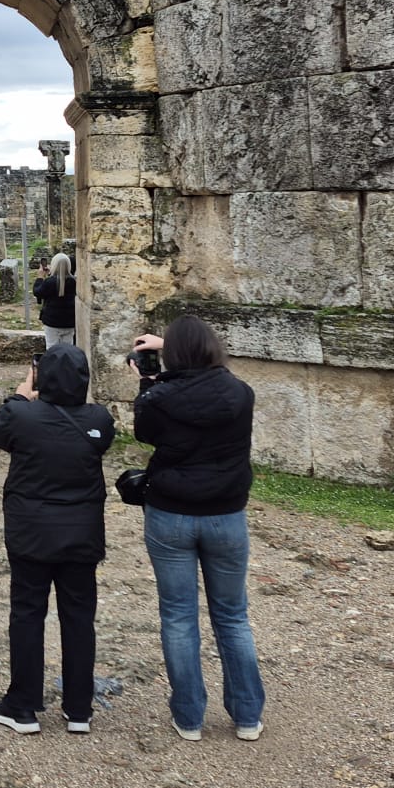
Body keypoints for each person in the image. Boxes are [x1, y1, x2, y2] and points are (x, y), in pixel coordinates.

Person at [130, 315, 265, 742]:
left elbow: (145, 434)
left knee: (178, 615)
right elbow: (216, 383)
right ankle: (247, 715)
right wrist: (175, 348)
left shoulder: (158, 399)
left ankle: (189, 716)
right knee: (232, 615)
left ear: (172, 355)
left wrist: (147, 381)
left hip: (171, 512)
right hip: (226, 513)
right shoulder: (240, 393)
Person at [0, 343, 114, 735]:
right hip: (81, 533)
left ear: (42, 376)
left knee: (27, 613)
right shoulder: (99, 419)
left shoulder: (22, 416)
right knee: (79, 617)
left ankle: (22, 705)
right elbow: (101, 441)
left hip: (31, 532)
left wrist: (21, 394)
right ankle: (79, 708)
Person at [33, 252, 77, 348]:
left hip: (52, 321)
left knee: (51, 348)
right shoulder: (74, 282)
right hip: (69, 321)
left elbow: (37, 292)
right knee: (68, 348)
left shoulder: (49, 282)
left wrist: (40, 278)